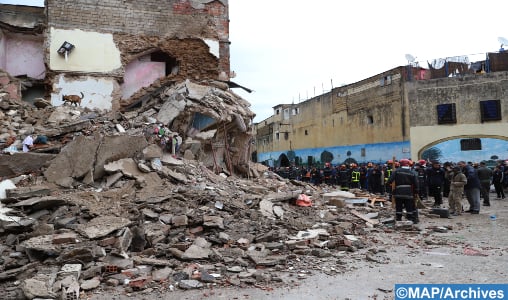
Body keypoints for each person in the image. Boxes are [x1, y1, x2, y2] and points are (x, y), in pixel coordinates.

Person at [387, 158, 419, 223]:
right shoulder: (412, 173)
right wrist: (416, 192)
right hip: (408, 192)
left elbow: (390, 181)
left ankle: (399, 219)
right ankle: (410, 219)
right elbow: (416, 183)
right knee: (409, 207)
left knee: (399, 207)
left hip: (398, 192)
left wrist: (392, 188)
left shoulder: (396, 171)